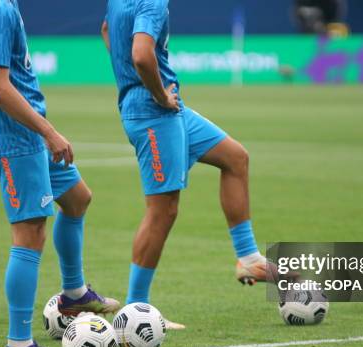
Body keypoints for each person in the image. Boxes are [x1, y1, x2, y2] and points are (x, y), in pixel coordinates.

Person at [102, 0, 272, 328]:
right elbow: (140, 54)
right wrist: (157, 94)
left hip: (169, 111)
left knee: (235, 157)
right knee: (162, 209)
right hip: (155, 111)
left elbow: (107, 30)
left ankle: (249, 258)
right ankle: (136, 311)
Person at [0, 0, 119, 347]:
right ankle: (18, 344)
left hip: (24, 136)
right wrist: (47, 132)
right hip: (20, 140)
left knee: (77, 198)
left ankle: (74, 293)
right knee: (30, 233)